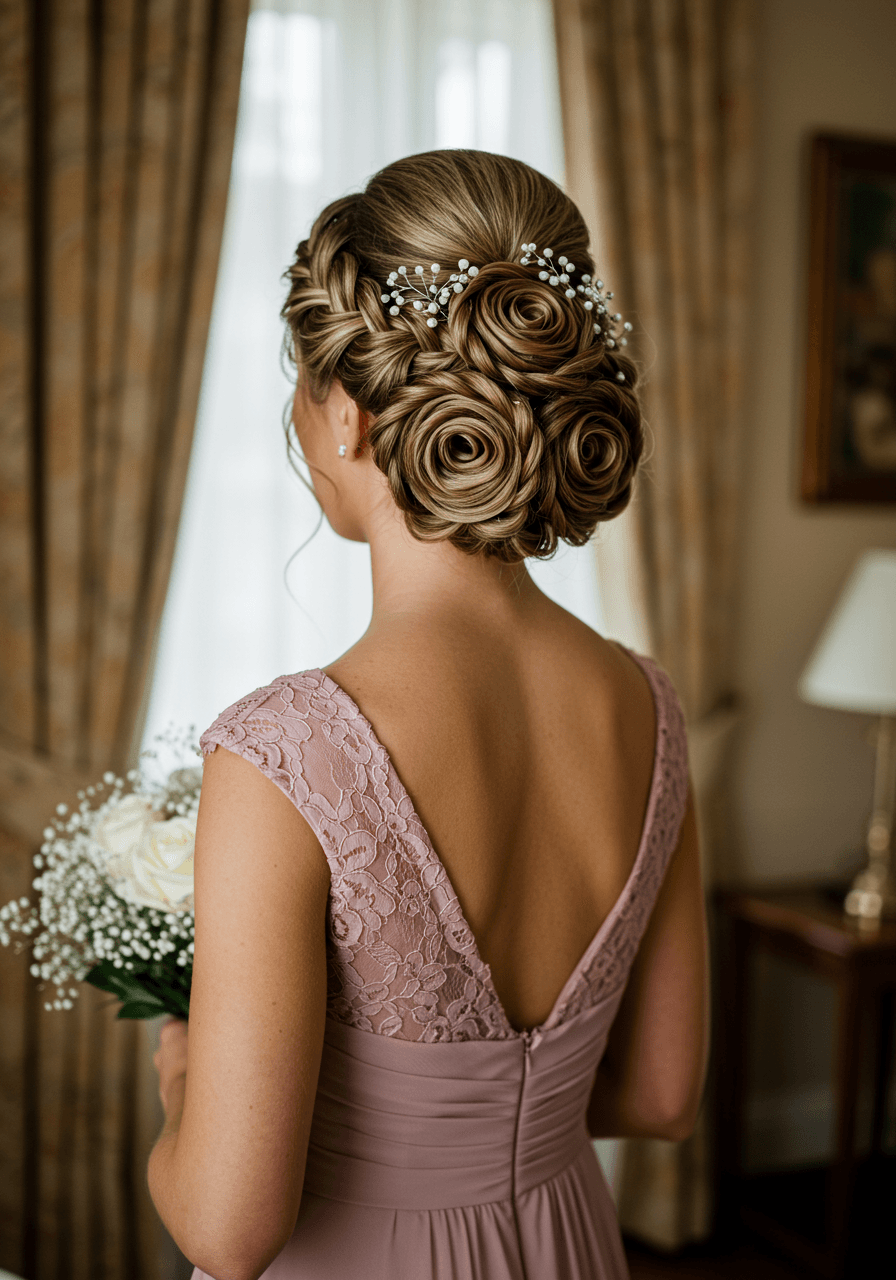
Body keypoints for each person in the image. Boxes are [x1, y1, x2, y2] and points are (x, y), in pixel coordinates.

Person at [148, 149, 708, 1280]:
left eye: (297, 378)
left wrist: (182, 1075)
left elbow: (228, 1225)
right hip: (562, 1241)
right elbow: (657, 1095)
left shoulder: (284, 750)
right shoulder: (647, 704)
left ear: (346, 414)